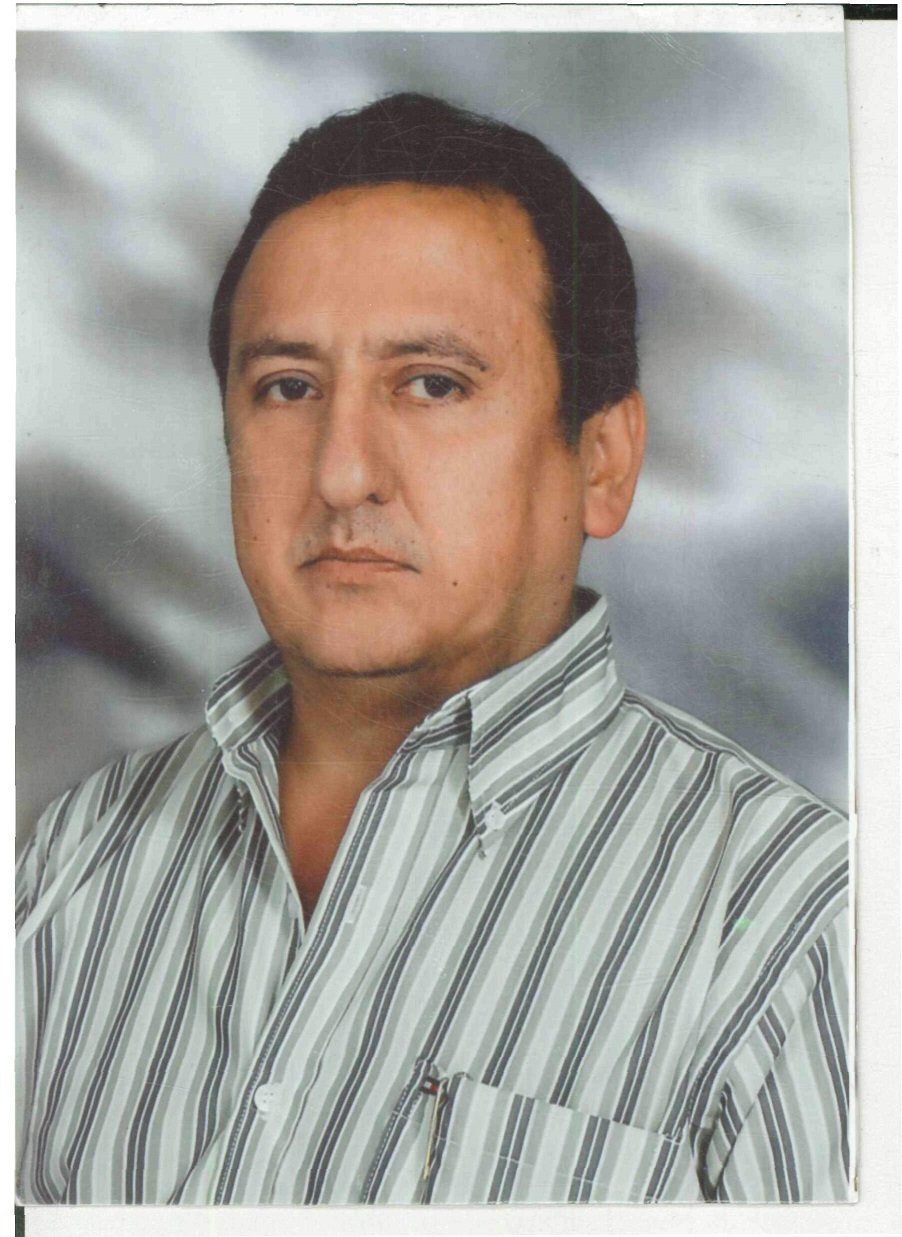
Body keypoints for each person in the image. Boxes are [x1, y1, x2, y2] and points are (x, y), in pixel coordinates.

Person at [16, 93, 850, 1206]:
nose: (341, 472)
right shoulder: (74, 861)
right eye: (288, 387)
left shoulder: (799, 924)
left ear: (602, 461)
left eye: (432, 384)